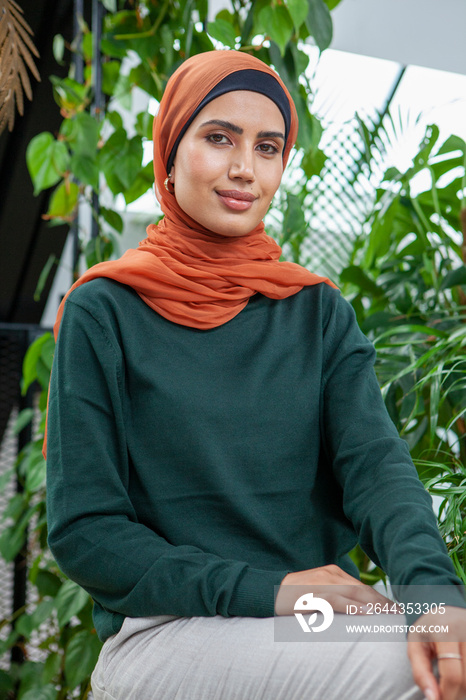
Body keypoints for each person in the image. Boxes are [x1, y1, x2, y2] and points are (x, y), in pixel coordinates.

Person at [45, 50, 466, 700]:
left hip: (306, 618)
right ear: (171, 149)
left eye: (268, 147)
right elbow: (87, 531)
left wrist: (434, 595)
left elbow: (378, 470)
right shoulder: (106, 309)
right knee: (409, 665)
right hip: (170, 628)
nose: (245, 168)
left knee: (439, 634)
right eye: (219, 138)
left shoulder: (316, 310)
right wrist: (276, 590)